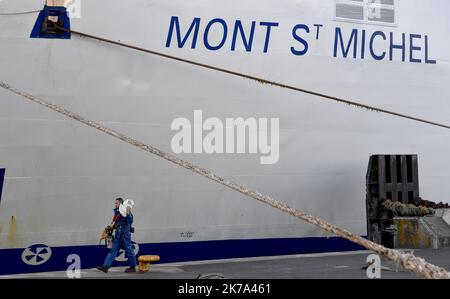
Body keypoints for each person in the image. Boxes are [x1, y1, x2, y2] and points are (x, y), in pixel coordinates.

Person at [96, 198, 137, 273]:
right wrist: (110, 228)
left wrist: (128, 213)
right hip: (118, 234)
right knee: (113, 250)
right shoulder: (118, 212)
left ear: (121, 204)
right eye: (115, 203)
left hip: (124, 234)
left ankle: (132, 267)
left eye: (116, 203)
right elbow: (116, 222)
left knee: (129, 250)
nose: (115, 205)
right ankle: (106, 266)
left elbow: (130, 221)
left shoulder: (126, 212)